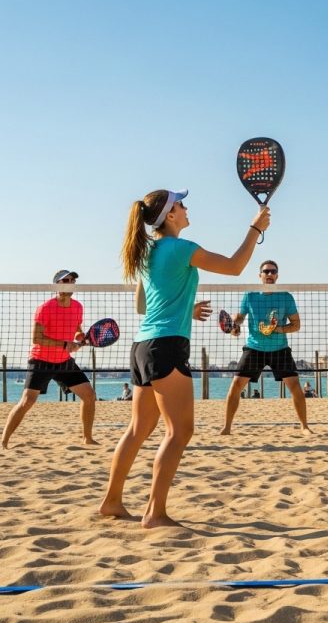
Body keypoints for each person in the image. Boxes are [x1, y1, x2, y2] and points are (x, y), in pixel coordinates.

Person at [99, 189, 269, 528]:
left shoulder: (147, 252)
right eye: (180, 204)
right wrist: (256, 228)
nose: (186, 207)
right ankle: (155, 513)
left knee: (138, 429)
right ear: (170, 215)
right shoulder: (181, 249)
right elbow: (235, 267)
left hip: (142, 346)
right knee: (179, 431)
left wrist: (183, 309)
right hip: (166, 347)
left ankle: (112, 502)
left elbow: (142, 307)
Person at [2, 270, 97, 448]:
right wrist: (64, 344)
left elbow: (76, 329)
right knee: (27, 401)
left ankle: (87, 438)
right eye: (65, 280)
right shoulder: (45, 308)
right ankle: (4, 441)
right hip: (41, 360)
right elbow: (36, 338)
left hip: (63, 361)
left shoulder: (78, 307)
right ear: (56, 285)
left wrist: (79, 338)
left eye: (72, 280)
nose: (70, 282)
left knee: (89, 395)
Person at [220, 260, 311, 436]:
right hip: (254, 348)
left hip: (280, 348)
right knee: (237, 384)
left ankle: (304, 426)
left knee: (295, 386)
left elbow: (296, 325)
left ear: (277, 275)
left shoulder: (285, 296)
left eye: (273, 271)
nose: (269, 274)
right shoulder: (250, 295)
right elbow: (239, 318)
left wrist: (278, 329)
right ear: (259, 275)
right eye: (266, 271)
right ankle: (227, 427)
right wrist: (234, 327)